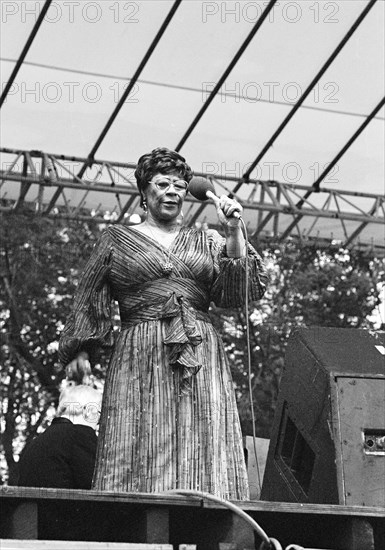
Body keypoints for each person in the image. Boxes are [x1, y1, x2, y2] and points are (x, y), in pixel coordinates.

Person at [59, 147, 268, 500]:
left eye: (179, 185)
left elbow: (239, 291)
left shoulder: (208, 239)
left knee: (200, 428)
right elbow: (90, 293)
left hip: (199, 348)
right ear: (144, 191)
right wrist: (80, 348)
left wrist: (233, 230)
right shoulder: (116, 239)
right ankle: (131, 517)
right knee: (140, 429)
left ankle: (210, 510)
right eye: (163, 183)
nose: (172, 191)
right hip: (139, 350)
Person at [18, 384, 102, 489]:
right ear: (88, 411)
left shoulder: (38, 440)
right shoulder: (81, 434)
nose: (99, 422)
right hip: (63, 505)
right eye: (99, 414)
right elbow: (95, 484)